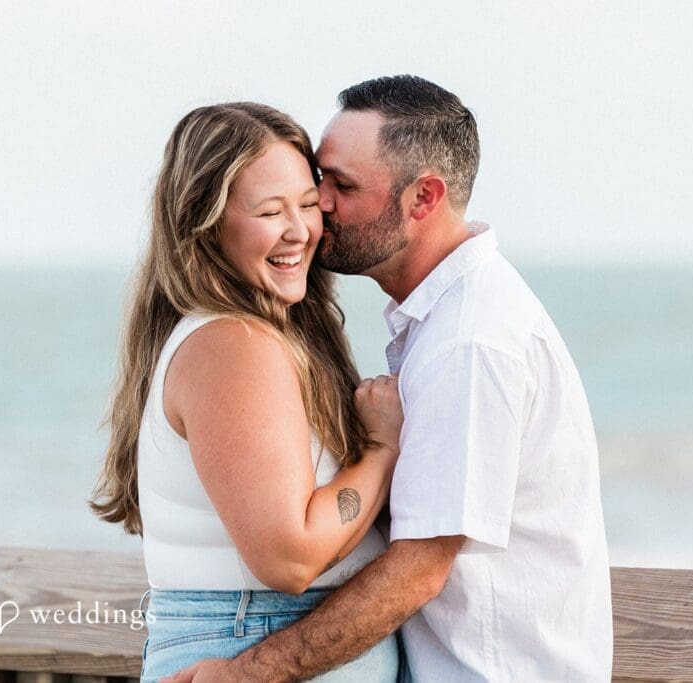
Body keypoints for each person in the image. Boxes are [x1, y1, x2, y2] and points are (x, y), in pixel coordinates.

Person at [164, 76, 613, 682]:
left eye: (341, 186)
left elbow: (420, 569)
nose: (318, 204)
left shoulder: (470, 341)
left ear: (422, 198)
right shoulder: (443, 324)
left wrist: (251, 673)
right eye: (318, 179)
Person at [89, 102, 403, 681]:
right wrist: (382, 452)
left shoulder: (255, 334)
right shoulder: (233, 345)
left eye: (308, 205)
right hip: (248, 636)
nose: (300, 231)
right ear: (205, 224)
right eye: (269, 211)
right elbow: (291, 556)